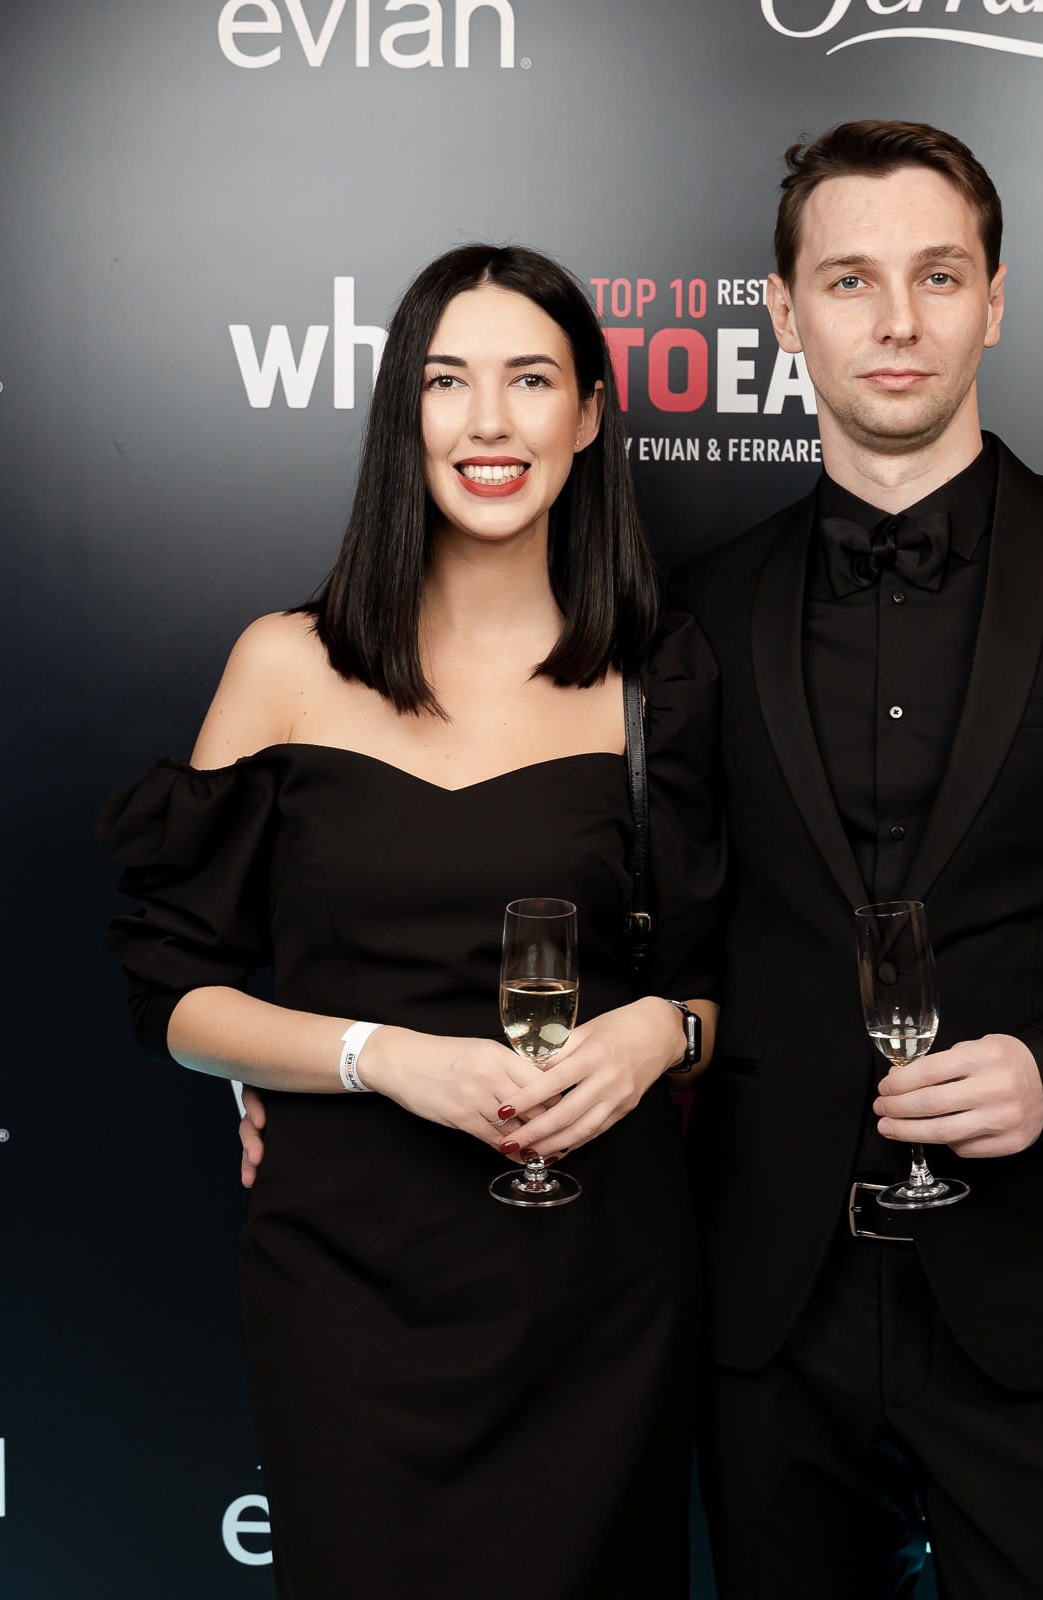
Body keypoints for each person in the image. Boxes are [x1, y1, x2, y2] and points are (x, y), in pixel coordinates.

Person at [239, 123, 1043, 1597]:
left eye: (939, 275)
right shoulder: (690, 616)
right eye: (851, 279)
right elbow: (578, 903)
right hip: (759, 1306)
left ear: (997, 300)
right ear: (785, 312)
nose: (897, 321)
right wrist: (307, 1076)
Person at [98, 243, 724, 1600]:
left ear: (589, 415)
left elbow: (723, 985)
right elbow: (174, 999)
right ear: (404, 413)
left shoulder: (661, 682)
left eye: (531, 380)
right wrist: (374, 1056)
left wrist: (659, 1037)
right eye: (448, 381)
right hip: (348, 1284)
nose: (489, 422)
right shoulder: (284, 662)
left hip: (597, 1284)